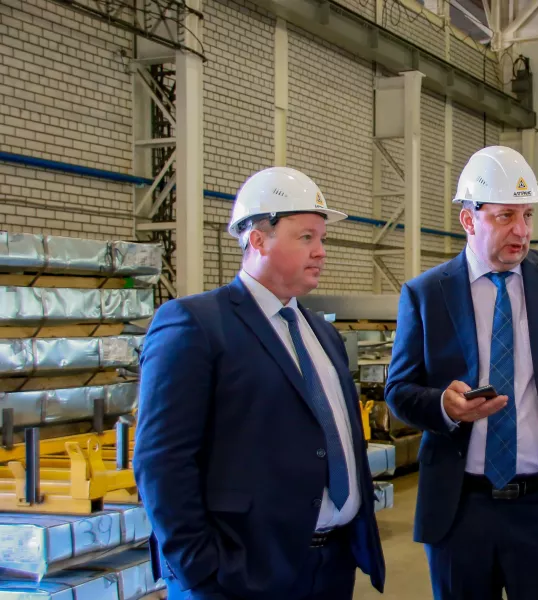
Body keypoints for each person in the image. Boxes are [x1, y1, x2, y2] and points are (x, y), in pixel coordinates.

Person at [134, 167, 386, 600]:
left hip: (331, 567)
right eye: (306, 237)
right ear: (258, 239)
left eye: (322, 238)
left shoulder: (322, 334)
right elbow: (161, 460)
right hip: (242, 575)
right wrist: (201, 570)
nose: (321, 252)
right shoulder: (195, 325)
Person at [384, 146, 538, 600]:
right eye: (505, 216)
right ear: (469, 219)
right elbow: (399, 390)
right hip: (460, 508)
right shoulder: (425, 294)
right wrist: (444, 407)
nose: (522, 231)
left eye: (528, 215)